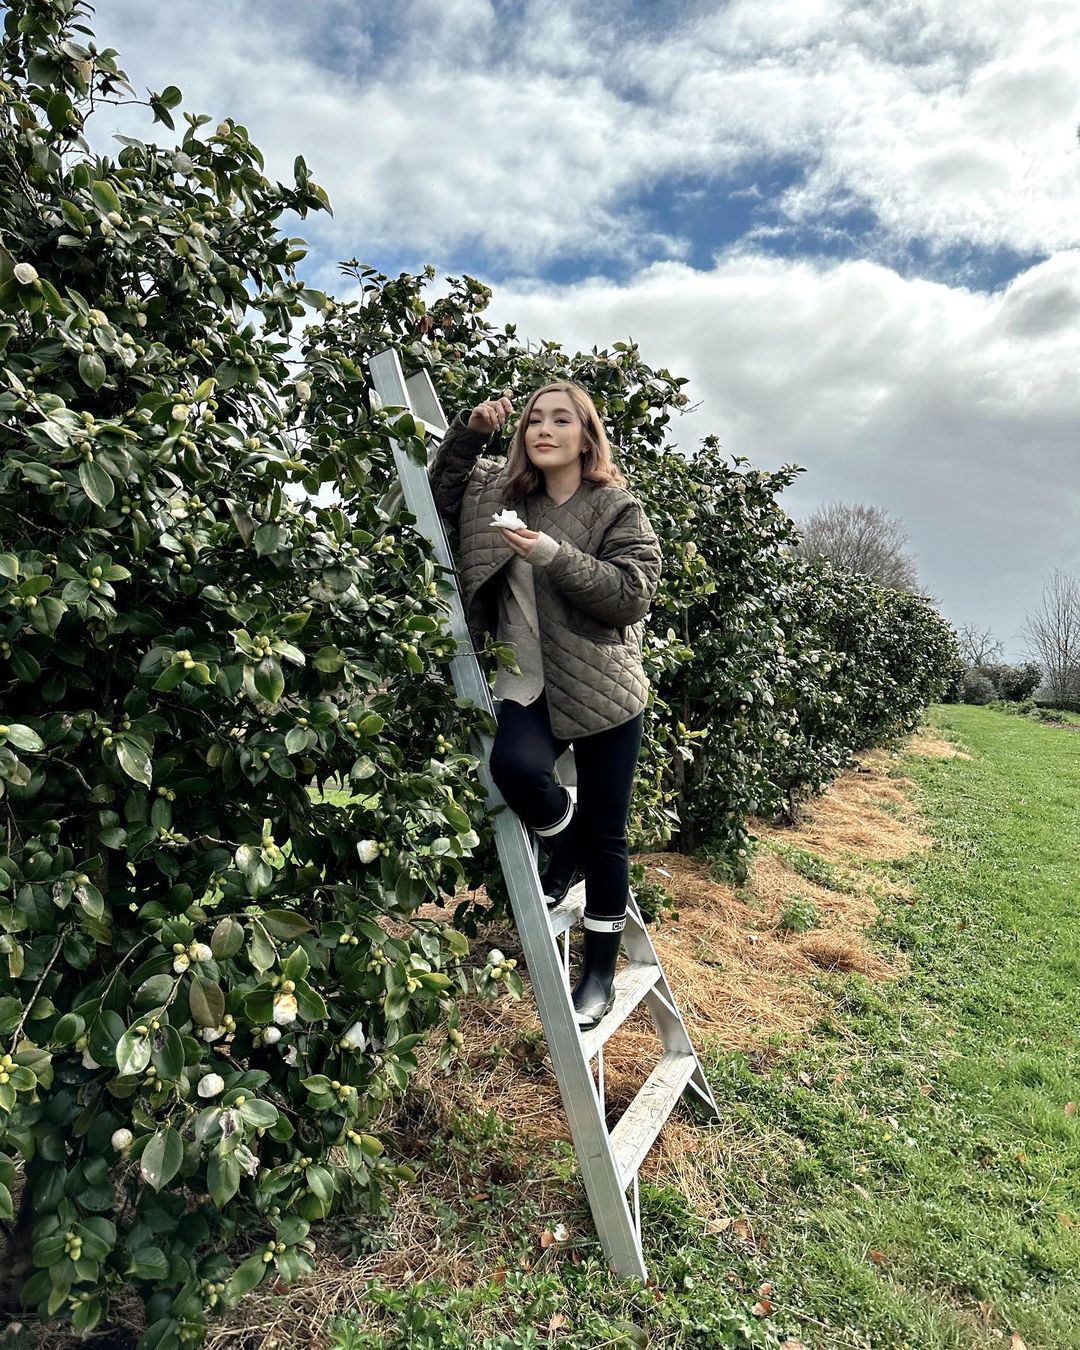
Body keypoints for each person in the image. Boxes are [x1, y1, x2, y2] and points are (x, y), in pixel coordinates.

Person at [429, 380, 662, 1029]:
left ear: (585, 436)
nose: (544, 428)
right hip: (526, 682)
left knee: (609, 838)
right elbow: (442, 488)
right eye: (534, 418)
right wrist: (472, 430)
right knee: (516, 769)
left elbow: (631, 594)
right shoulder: (497, 494)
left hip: (601, 687)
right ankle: (569, 841)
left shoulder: (615, 508)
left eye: (561, 419)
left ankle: (597, 977)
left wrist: (555, 556)